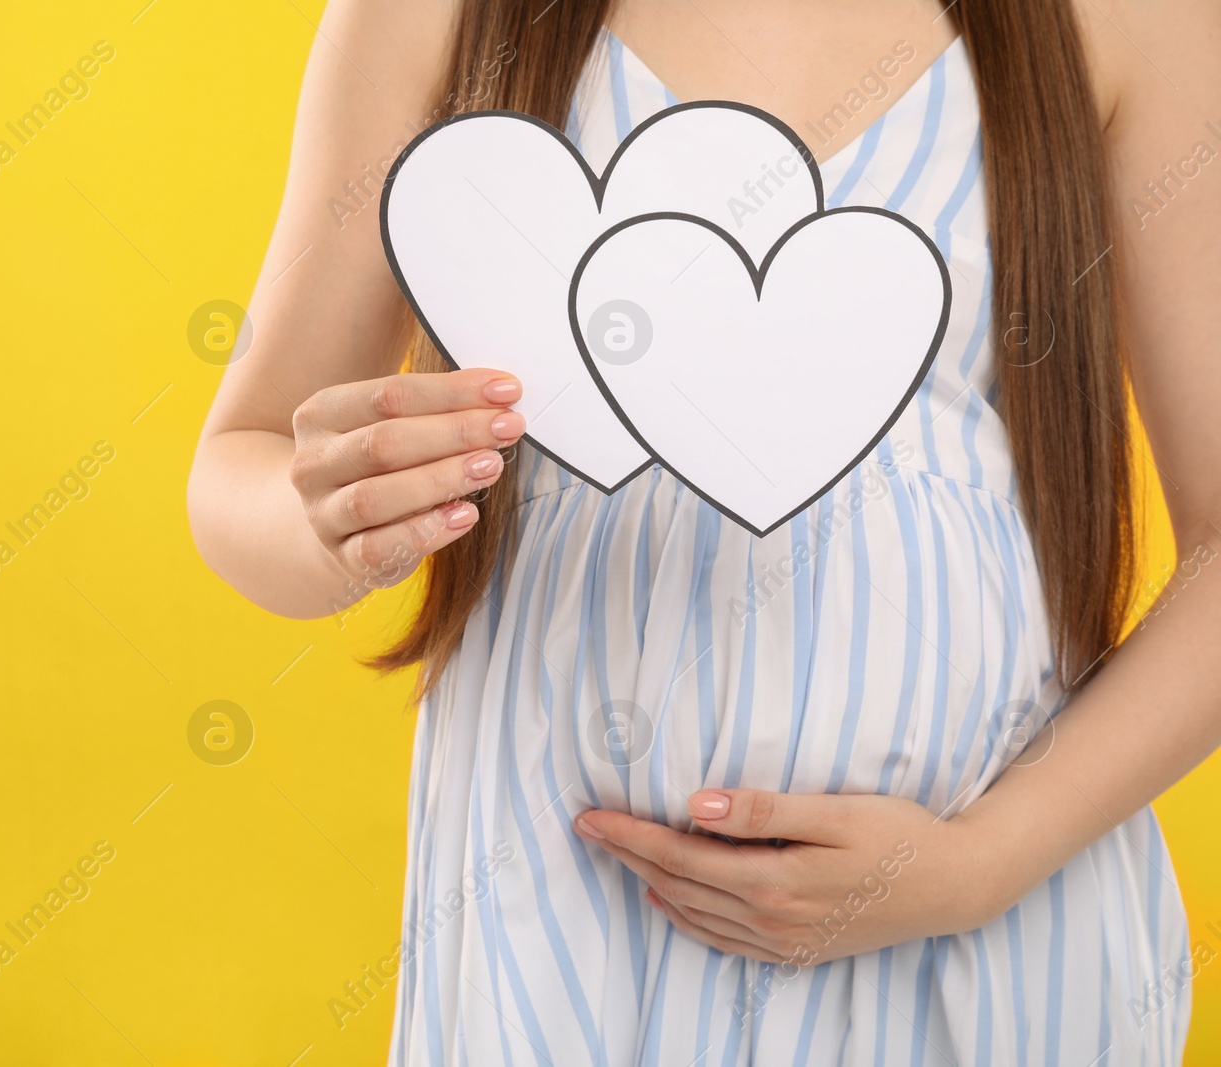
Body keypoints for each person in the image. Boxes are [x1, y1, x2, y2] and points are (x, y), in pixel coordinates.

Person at [189, 0, 1220, 1061]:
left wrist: (981, 863)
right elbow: (244, 459)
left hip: (985, 927)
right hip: (560, 917)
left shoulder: (1129, 16)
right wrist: (330, 518)